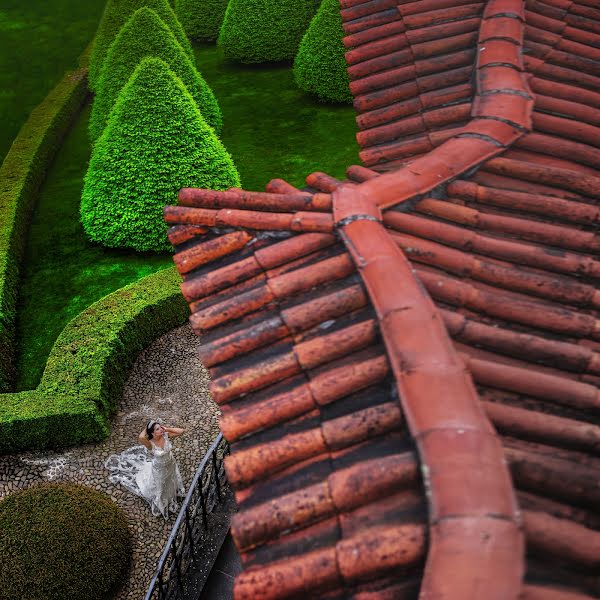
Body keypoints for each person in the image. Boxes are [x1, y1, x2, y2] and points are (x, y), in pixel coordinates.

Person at [105, 421, 186, 519]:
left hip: (171, 463)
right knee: (160, 484)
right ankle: (161, 503)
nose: (160, 430)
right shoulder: (150, 443)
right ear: (152, 433)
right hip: (159, 468)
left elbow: (181, 431)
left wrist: (166, 429)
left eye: (160, 427)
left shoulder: (165, 435)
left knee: (171, 478)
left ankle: (172, 492)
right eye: (157, 429)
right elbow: (141, 437)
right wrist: (147, 426)